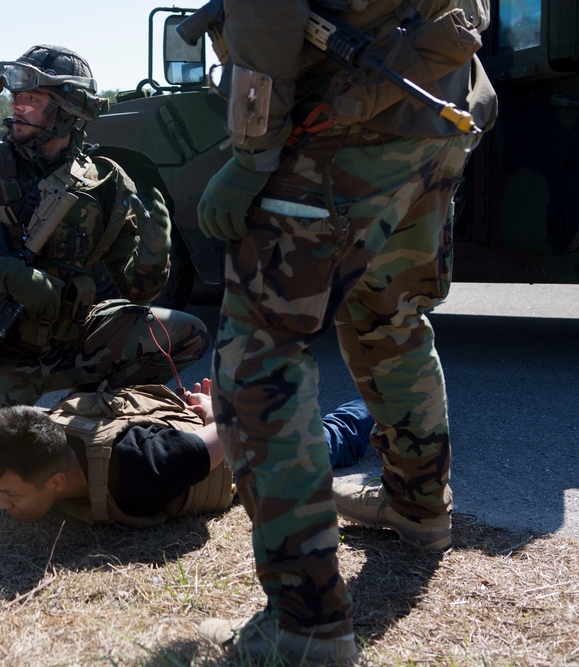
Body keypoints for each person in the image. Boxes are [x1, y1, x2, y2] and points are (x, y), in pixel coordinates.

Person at [193, 1, 498, 664]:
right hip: (439, 104)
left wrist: (250, 154)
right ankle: (419, 506)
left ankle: (306, 626)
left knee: (258, 350)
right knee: (390, 315)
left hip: (348, 119)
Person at [0, 45, 211, 500]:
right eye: (17, 97)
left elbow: (138, 288)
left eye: (32, 99)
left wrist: (157, 253)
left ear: (66, 110)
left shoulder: (107, 182)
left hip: (74, 342)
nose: (16, 106)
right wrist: (3, 274)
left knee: (188, 334)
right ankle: (25, 420)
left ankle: (82, 413)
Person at [0, 379, 373, 525]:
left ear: (56, 482)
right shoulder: (46, 435)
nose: (1, 505)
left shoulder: (144, 469)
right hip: (180, 432)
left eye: (10, 495)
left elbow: (231, 433)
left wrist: (213, 410)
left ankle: (381, 400)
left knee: (325, 439)